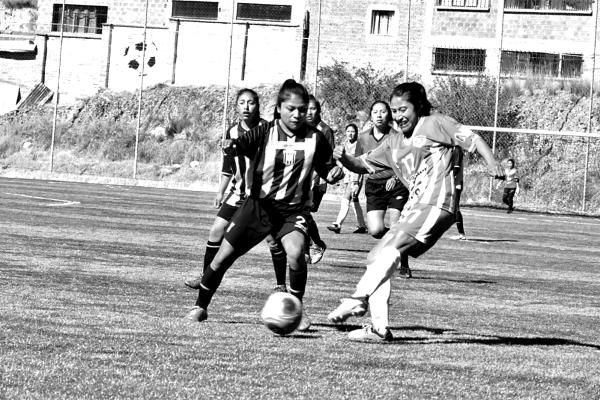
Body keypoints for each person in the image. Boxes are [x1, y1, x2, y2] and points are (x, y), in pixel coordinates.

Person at [327, 82, 505, 341]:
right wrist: (343, 159)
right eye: (394, 110)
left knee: (387, 251)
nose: (398, 116)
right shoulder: (393, 143)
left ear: (418, 107)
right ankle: (379, 328)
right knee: (376, 256)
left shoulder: (435, 124)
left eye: (403, 109)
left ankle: (357, 298)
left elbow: (474, 139)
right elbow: (361, 164)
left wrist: (492, 162)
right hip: (416, 209)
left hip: (435, 203)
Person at [185, 79, 344, 332]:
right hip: (259, 207)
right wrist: (231, 145)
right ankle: (201, 306)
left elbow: (327, 169)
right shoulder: (265, 132)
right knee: (223, 257)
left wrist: (335, 173)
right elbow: (241, 144)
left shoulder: (316, 137)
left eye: (302, 109)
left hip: (293, 211)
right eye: (291, 108)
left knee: (296, 253)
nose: (297, 114)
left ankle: (295, 309)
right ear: (279, 108)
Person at [184, 88, 288, 293]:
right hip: (238, 193)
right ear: (236, 106)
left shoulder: (268, 129)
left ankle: (280, 285)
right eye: (242, 103)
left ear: (258, 105)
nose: (247, 107)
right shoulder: (231, 132)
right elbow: (227, 167)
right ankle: (206, 277)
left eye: (251, 102)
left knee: (272, 239)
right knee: (216, 231)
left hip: (261, 196)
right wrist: (220, 192)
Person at [355, 100, 412, 278]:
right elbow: (358, 163)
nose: (379, 115)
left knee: (396, 224)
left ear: (389, 115)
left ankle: (404, 264)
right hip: (374, 185)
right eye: (375, 112)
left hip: (397, 185)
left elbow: (406, 163)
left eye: (383, 112)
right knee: (376, 230)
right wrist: (356, 182)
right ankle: (402, 242)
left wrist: (395, 177)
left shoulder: (397, 136)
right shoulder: (363, 137)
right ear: (370, 116)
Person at [304, 95, 335, 264]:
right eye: (306, 108)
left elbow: (328, 159)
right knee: (300, 213)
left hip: (317, 180)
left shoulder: (325, 130)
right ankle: (309, 245)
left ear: (319, 110)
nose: (309, 112)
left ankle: (315, 243)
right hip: (301, 180)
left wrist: (320, 177)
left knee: (303, 212)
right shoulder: (300, 129)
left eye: (313, 108)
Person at [327, 123, 368, 234]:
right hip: (346, 175)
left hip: (355, 175)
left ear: (356, 133)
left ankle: (337, 224)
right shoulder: (344, 145)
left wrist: (355, 181)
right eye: (348, 131)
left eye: (352, 131)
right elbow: (340, 162)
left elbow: (360, 163)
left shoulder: (359, 145)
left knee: (346, 198)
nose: (350, 133)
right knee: (354, 200)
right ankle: (362, 226)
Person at [451, 147, 467, 240]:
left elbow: (456, 168)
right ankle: (461, 233)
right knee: (453, 208)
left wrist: (445, 177)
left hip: (456, 183)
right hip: (454, 182)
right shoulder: (454, 149)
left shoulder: (457, 149)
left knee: (456, 208)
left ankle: (461, 234)